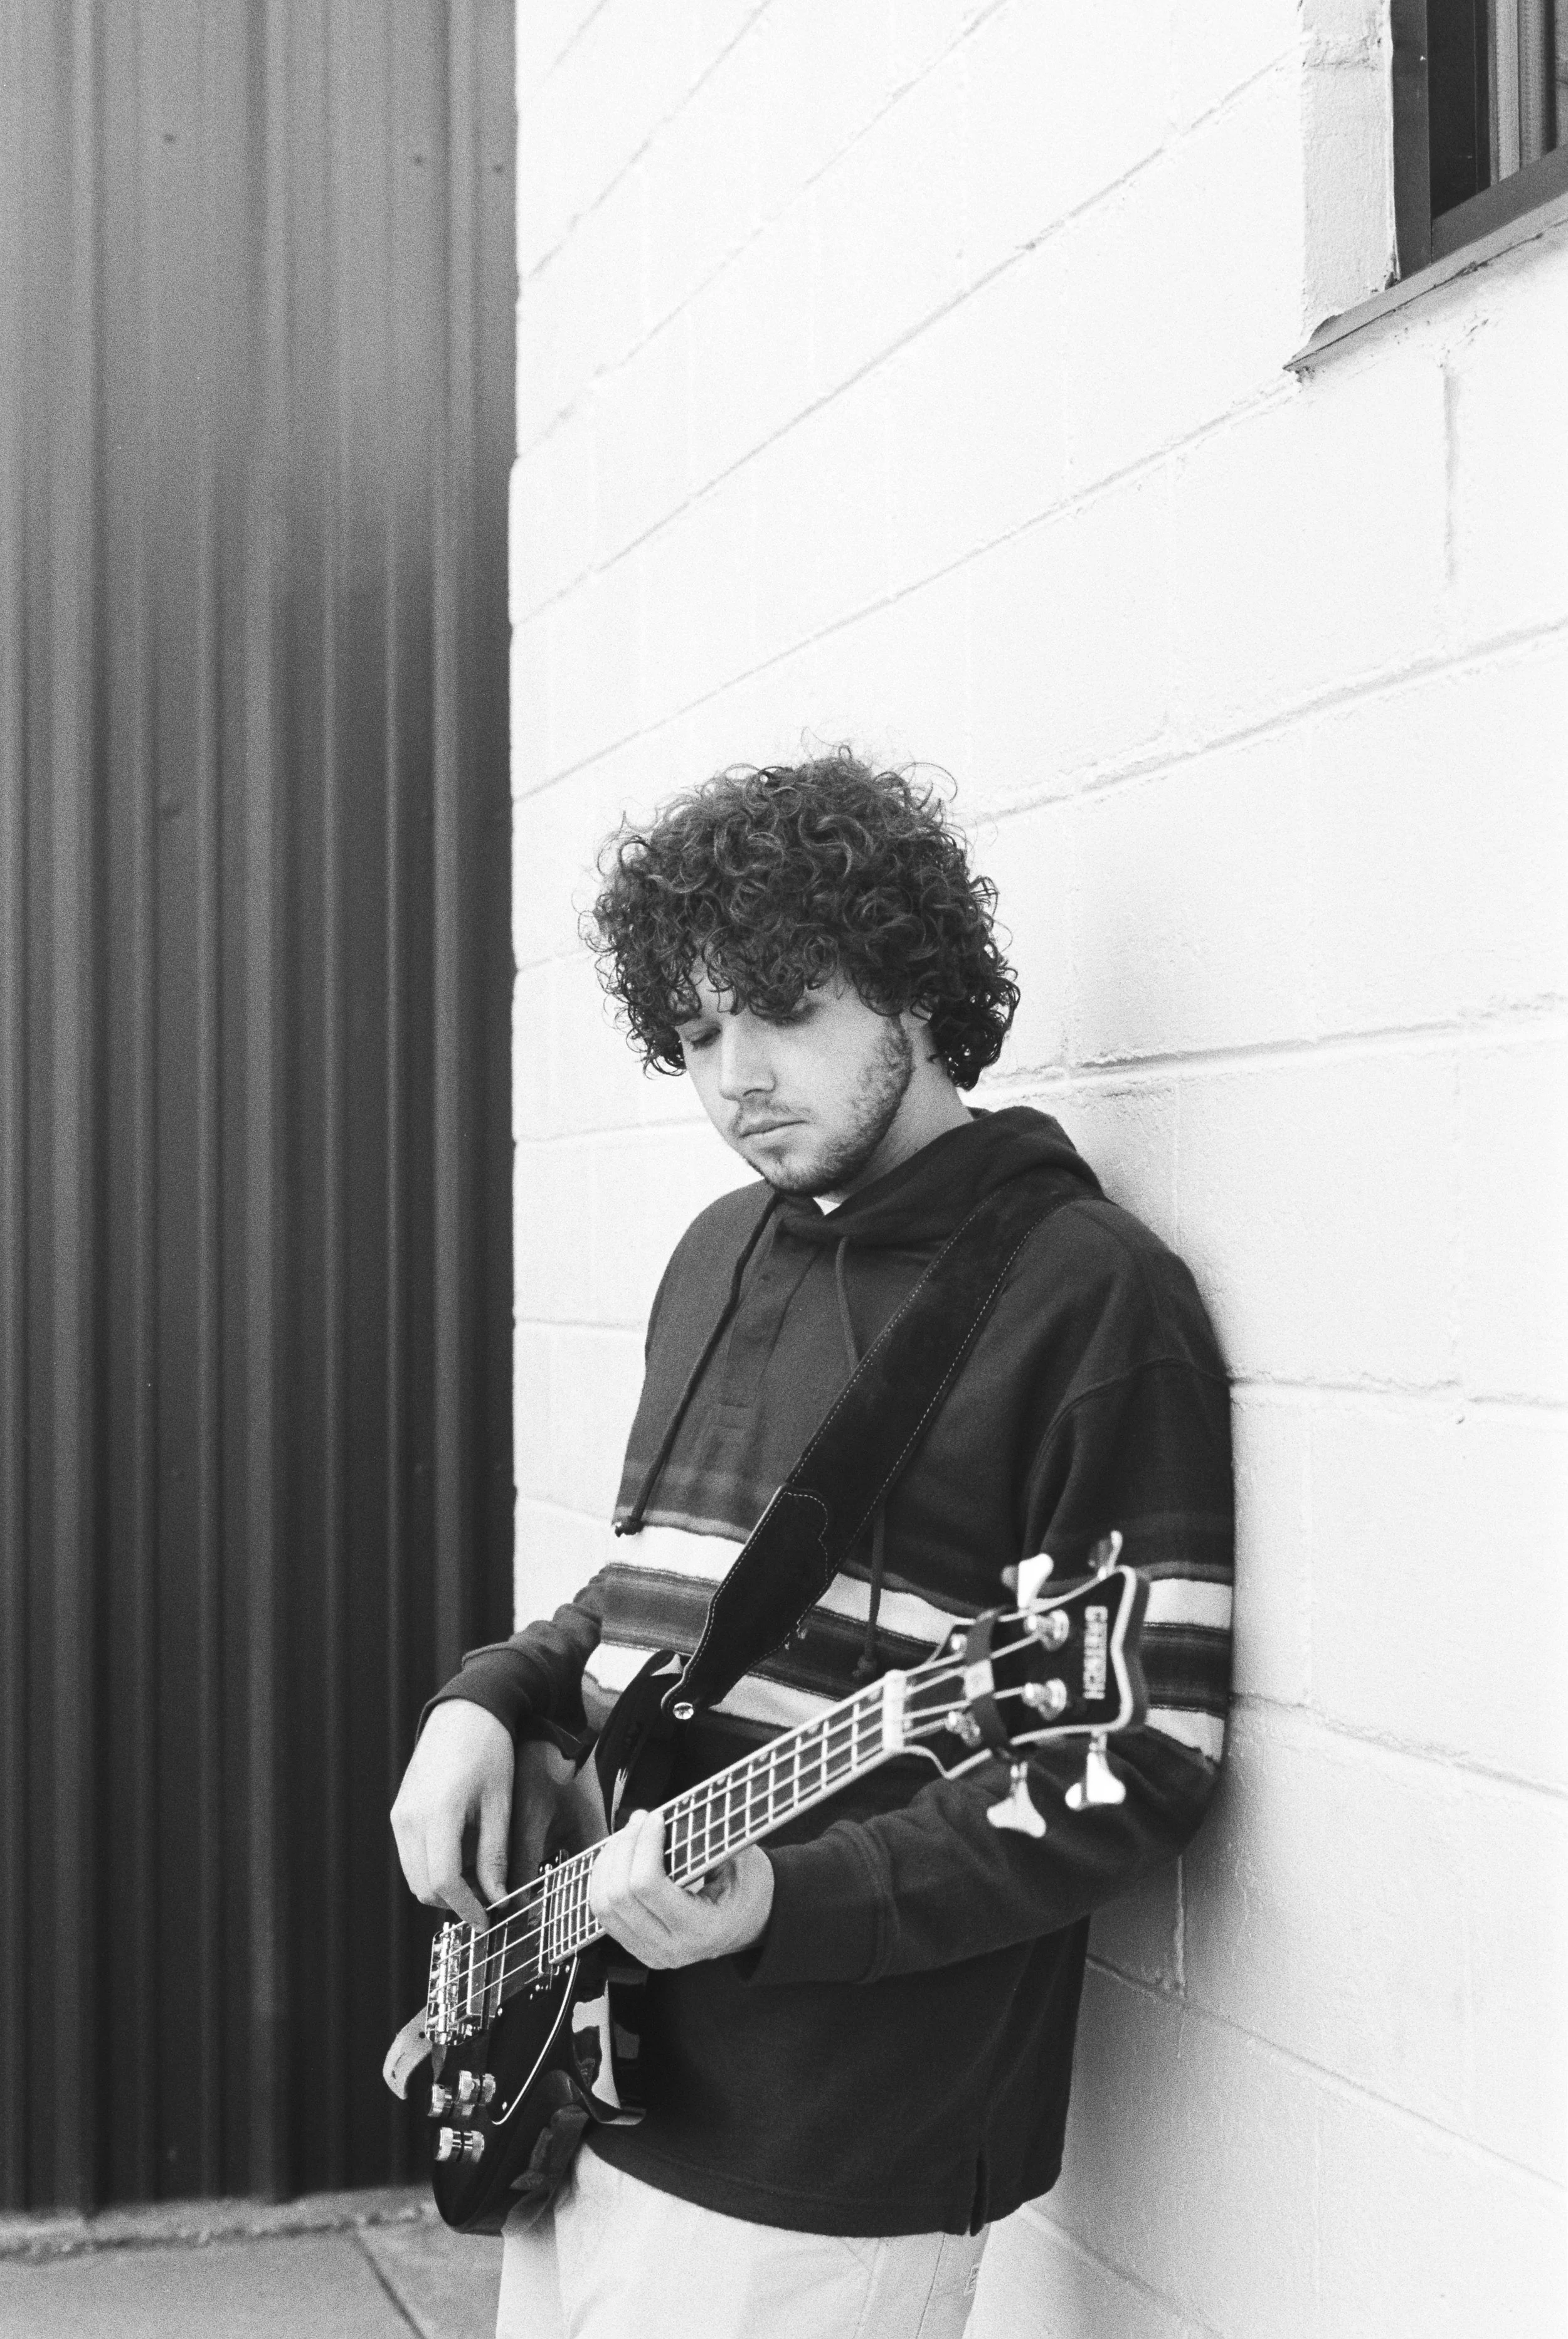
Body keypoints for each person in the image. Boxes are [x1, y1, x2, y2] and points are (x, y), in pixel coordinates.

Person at [391, 753, 1233, 2339]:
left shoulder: (1088, 1298)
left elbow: (1134, 1753)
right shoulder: (718, 1249)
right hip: (581, 2068)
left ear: (912, 978)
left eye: (780, 1009)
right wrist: (488, 1697)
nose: (736, 1078)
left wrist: (783, 1899)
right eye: (696, 1032)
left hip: (835, 2149)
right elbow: (656, 1597)